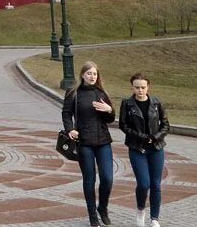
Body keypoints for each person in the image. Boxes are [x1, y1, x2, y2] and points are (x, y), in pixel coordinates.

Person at [62, 61, 116, 226]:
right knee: (89, 180)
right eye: (89, 74)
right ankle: (93, 216)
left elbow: (110, 119)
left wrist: (109, 110)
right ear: (82, 75)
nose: (92, 77)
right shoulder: (74, 93)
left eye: (95, 74)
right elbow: (66, 113)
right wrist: (70, 129)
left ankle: (103, 208)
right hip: (84, 142)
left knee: (107, 178)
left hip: (103, 141)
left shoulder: (102, 93)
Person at [119, 73, 170, 227]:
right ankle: (141, 209)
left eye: (143, 87)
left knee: (155, 184)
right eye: (137, 87)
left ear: (148, 87)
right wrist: (141, 136)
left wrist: (155, 137)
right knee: (143, 183)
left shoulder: (156, 103)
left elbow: (166, 125)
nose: (140, 90)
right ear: (132, 87)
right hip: (137, 148)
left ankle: (154, 218)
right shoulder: (127, 104)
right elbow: (123, 125)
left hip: (156, 148)